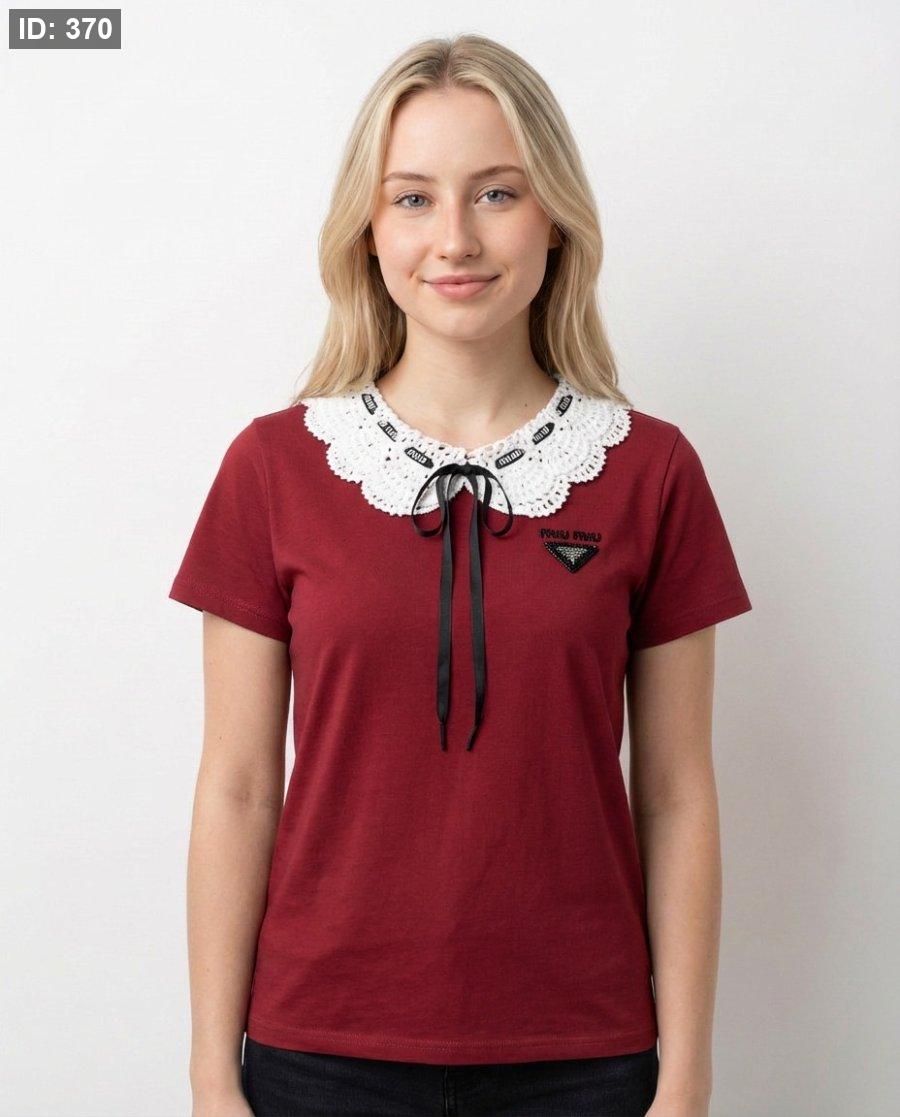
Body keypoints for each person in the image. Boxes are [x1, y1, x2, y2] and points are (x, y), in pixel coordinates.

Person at [169, 33, 752, 1117]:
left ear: (554, 217)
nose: (455, 239)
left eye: (496, 193)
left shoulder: (652, 471)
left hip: (586, 1057)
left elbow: (677, 793)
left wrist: (686, 1076)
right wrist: (211, 1074)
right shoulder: (273, 468)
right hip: (316, 1052)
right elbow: (239, 785)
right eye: (412, 198)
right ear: (369, 229)